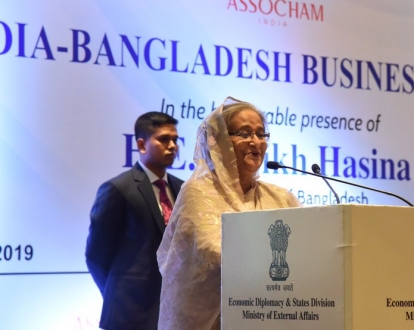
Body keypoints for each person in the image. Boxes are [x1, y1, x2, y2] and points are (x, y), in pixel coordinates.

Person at [157, 97, 300, 330]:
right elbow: (213, 253)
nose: (255, 141)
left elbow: (307, 249)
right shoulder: (198, 192)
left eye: (261, 134)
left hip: (271, 317)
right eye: (244, 133)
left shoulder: (281, 197)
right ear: (219, 141)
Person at [85, 112, 184, 330]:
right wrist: (117, 294)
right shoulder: (118, 189)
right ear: (141, 145)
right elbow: (96, 256)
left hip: (174, 311)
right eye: (163, 139)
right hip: (128, 314)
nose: (172, 146)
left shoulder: (183, 189)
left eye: (175, 140)